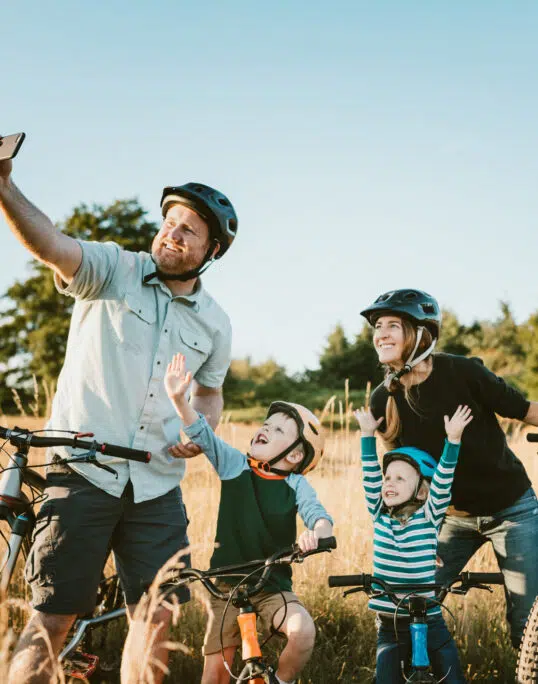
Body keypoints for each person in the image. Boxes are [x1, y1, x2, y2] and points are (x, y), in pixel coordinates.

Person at [0, 149, 238, 684]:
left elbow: (210, 393)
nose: (172, 235)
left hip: (158, 487)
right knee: (53, 618)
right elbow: (52, 245)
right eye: (170, 223)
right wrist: (4, 188)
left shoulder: (216, 323)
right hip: (84, 472)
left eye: (190, 231)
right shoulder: (116, 270)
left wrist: (199, 434)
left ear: (212, 250)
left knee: (157, 618)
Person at [360, 288, 538, 650]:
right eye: (378, 326)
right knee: (410, 604)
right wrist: (419, 536)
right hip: (449, 518)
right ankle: (417, 670)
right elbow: (403, 480)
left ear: (420, 334)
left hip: (513, 510)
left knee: (527, 618)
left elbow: (525, 410)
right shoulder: (382, 399)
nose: (381, 333)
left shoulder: (463, 372)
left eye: (393, 325)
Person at [164, 352, 334, 684]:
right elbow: (202, 434)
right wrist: (178, 400)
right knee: (215, 674)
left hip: (272, 586)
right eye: (265, 425)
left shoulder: (296, 484)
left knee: (302, 631)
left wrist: (318, 533)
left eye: (278, 430)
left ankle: (278, 681)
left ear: (295, 454)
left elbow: (319, 516)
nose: (264, 429)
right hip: (225, 585)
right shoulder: (234, 465)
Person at [355, 404, 473, 683]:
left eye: (399, 478)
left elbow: (443, 479)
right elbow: (369, 473)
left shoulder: (428, 517)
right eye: (387, 478)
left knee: (451, 677)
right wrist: (366, 435)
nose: (388, 483)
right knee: (386, 678)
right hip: (389, 621)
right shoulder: (379, 513)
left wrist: (453, 440)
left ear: (421, 490)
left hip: (430, 618)